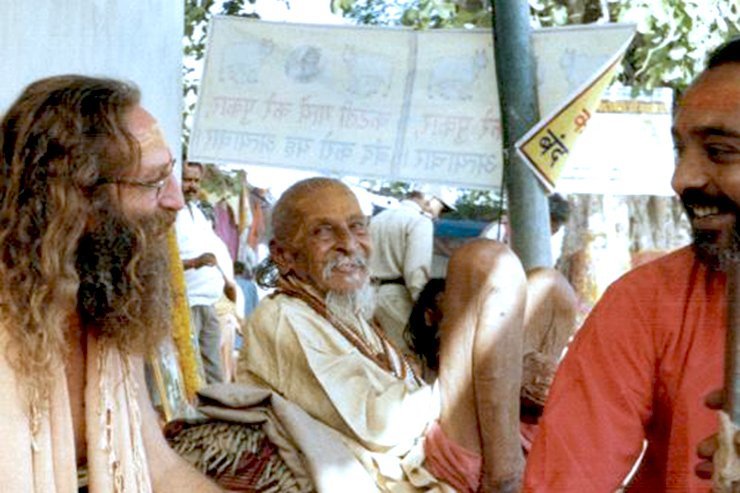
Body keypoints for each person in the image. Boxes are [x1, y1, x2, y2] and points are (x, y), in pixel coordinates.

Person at [523, 37, 740, 492]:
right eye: (681, 150)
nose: (682, 180)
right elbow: (566, 480)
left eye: (720, 151)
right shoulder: (645, 301)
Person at [0, 75, 219, 491]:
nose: (177, 199)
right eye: (154, 182)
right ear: (78, 197)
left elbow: (160, 468)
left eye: (171, 174)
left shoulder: (107, 300)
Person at [238, 177, 526, 492]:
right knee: (483, 262)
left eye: (357, 227)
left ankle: (508, 458)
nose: (349, 244)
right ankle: (505, 478)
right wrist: (478, 382)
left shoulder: (340, 309)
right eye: (323, 231)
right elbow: (380, 426)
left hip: (427, 441)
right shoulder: (282, 317)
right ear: (284, 256)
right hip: (412, 465)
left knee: (552, 292)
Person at [369, 189, 452, 355]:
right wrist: (423, 307)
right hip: (397, 298)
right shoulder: (420, 221)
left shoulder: (377, 219)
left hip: (367, 296)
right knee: (409, 357)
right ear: (430, 197)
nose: (438, 216)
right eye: (440, 209)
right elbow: (416, 273)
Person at [176, 160, 237, 384]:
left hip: (207, 303)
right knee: (189, 368)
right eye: (186, 179)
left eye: (195, 181)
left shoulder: (197, 212)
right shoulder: (171, 214)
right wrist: (195, 263)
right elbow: (163, 262)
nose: (191, 185)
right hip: (186, 302)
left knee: (213, 369)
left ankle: (217, 413)